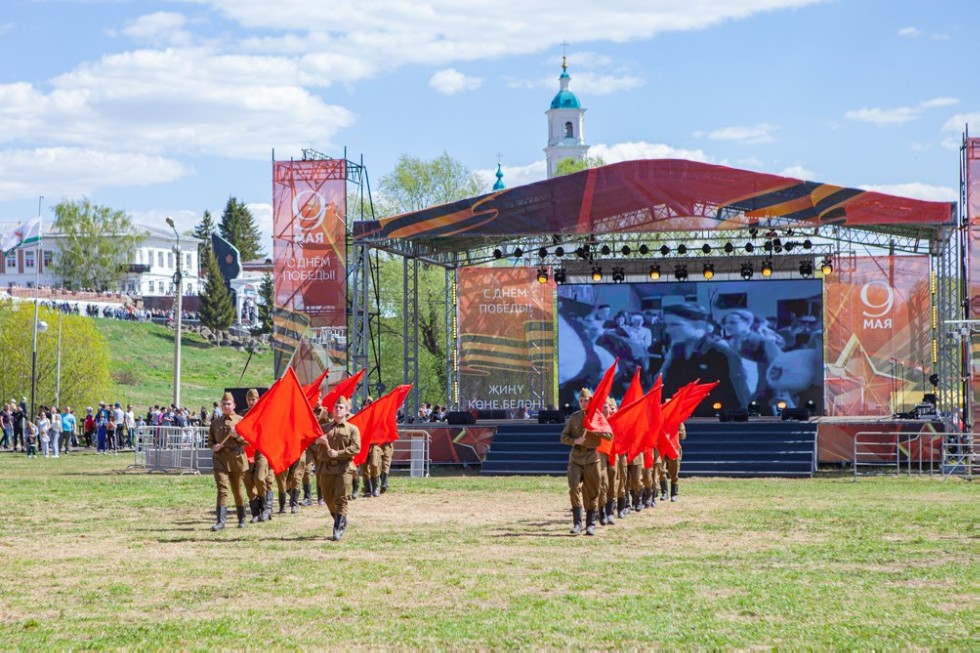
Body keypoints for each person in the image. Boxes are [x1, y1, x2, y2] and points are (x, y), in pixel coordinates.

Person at [660, 303, 750, 416]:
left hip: (712, 424)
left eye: (675, 325)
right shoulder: (677, 351)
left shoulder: (722, 354)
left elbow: (739, 399)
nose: (668, 330)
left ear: (698, 324)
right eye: (668, 325)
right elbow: (664, 388)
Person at [559, 388, 608, 536]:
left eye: (586, 400)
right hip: (576, 457)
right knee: (573, 488)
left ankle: (591, 524)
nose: (583, 403)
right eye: (581, 400)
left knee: (593, 492)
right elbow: (563, 437)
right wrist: (575, 440)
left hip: (592, 458)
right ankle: (577, 523)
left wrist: (598, 431)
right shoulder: (574, 418)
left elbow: (609, 436)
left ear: (591, 401)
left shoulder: (598, 417)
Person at [313, 396, 361, 541]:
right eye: (336, 407)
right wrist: (318, 440)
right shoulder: (324, 429)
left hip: (344, 467)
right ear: (332, 411)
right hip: (326, 468)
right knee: (328, 498)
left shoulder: (352, 429)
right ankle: (340, 518)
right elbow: (311, 444)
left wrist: (338, 453)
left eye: (341, 407)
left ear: (346, 411)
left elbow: (356, 448)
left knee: (341, 498)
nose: (338, 409)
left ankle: (338, 528)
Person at [208, 392, 248, 531]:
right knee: (222, 489)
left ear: (234, 405)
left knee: (237, 490)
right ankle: (221, 521)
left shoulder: (241, 420)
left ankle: (242, 518)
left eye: (229, 404)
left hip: (236, 459)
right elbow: (210, 441)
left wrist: (237, 436)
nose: (226, 406)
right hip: (220, 459)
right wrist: (214, 446)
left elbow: (248, 441)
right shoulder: (215, 422)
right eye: (224, 404)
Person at [241, 389, 273, 524]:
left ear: (258, 399)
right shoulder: (242, 415)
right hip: (246, 452)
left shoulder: (265, 413)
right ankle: (255, 512)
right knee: (248, 483)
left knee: (260, 478)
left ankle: (265, 508)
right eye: (249, 399)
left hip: (261, 451)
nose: (251, 402)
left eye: (254, 399)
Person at [661, 421, 686, 502]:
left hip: (674, 449)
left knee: (674, 474)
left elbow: (683, 435)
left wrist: (671, 432)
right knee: (661, 471)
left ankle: (674, 494)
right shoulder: (659, 418)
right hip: (662, 449)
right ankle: (664, 493)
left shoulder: (677, 420)